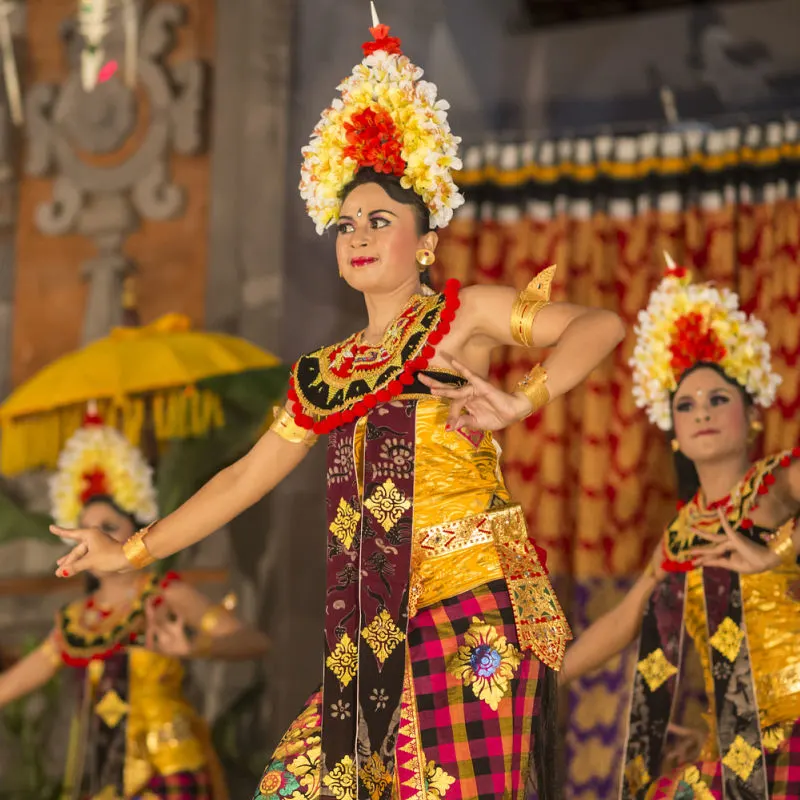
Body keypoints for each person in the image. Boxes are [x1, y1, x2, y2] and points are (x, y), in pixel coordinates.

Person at [51, 12, 624, 800]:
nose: (356, 235)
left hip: (471, 604)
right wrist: (133, 550)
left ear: (425, 238)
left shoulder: (465, 317)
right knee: (292, 786)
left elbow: (599, 327)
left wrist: (522, 399)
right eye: (346, 222)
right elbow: (242, 479)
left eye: (379, 220)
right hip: (372, 632)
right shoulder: (323, 375)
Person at [561, 257, 800, 799]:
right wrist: (537, 686)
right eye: (687, 405)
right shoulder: (680, 534)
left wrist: (781, 549)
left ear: (750, 414)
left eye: (719, 399)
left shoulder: (778, 483)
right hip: (737, 748)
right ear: (674, 432)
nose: (703, 413)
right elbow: (622, 622)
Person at [0, 408, 269, 799]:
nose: (95, 539)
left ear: (134, 530)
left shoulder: (163, 594)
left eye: (108, 527)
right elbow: (16, 681)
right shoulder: (78, 620)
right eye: (86, 529)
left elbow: (253, 643)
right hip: (103, 775)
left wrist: (197, 646)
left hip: (169, 770)